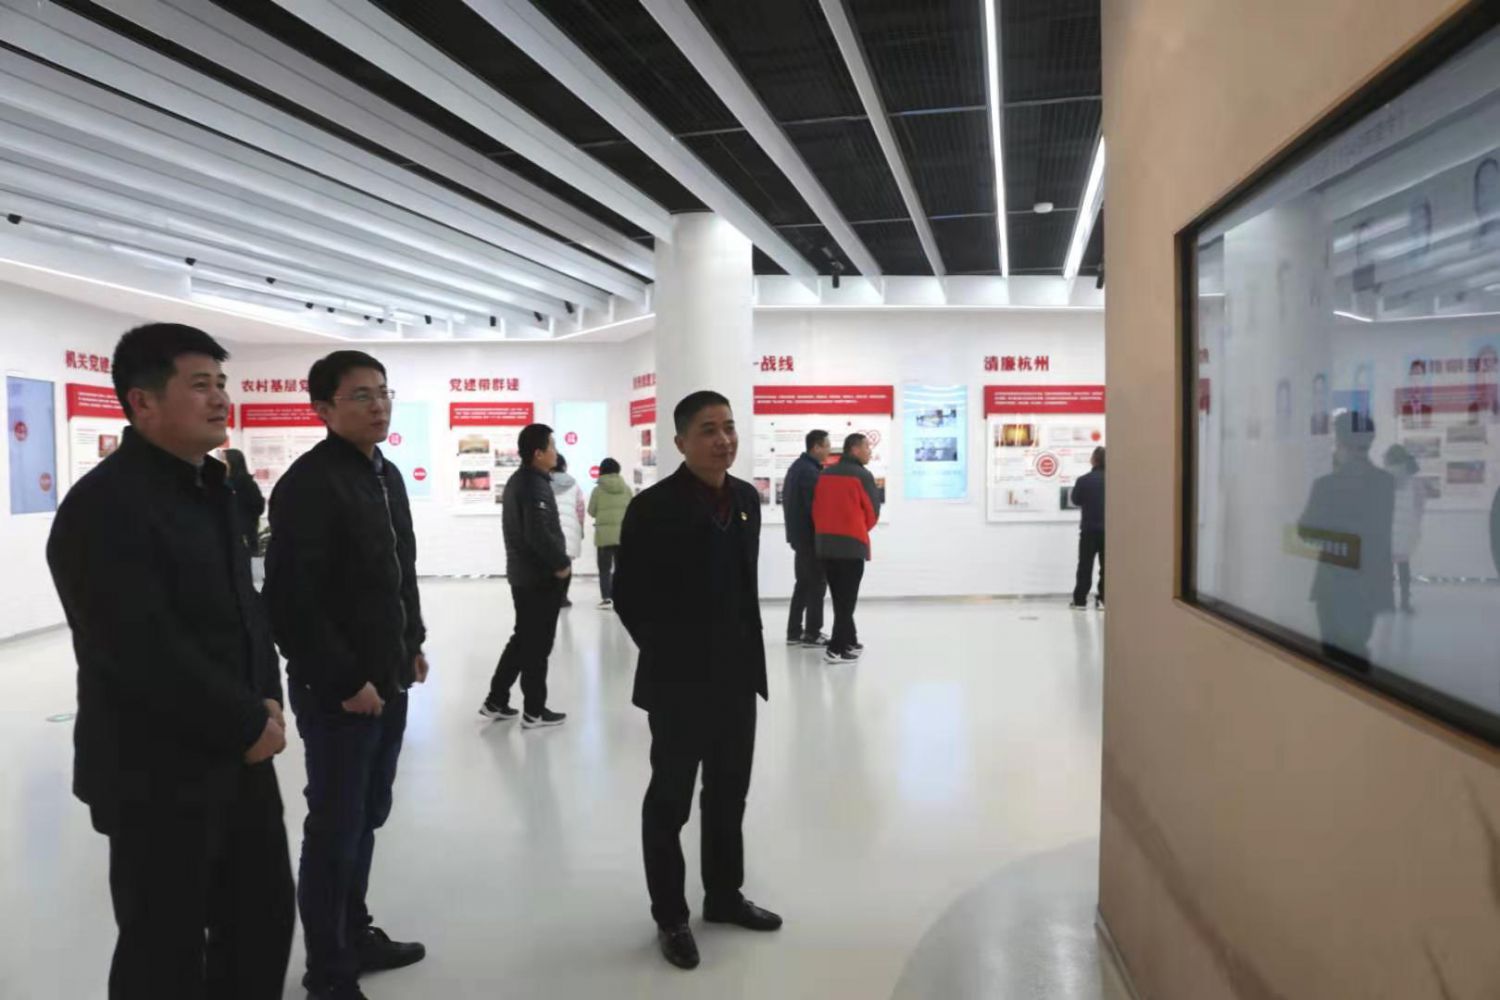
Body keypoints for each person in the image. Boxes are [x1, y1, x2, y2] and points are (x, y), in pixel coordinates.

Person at [46, 323, 294, 999]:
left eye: (222, 383)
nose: (220, 399)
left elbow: (245, 608)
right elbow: (139, 649)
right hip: (155, 773)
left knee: (261, 924)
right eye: (200, 385)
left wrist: (267, 697)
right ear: (143, 402)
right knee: (164, 949)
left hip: (241, 756)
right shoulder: (103, 507)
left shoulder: (213, 488)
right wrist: (247, 722)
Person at [265, 351, 429, 1000]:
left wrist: (412, 643)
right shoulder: (308, 485)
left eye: (383, 392)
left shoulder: (385, 475)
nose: (378, 405)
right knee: (335, 828)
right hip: (340, 694)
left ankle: (354, 934)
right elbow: (291, 603)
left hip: (388, 678)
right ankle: (328, 971)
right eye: (361, 395)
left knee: (366, 816)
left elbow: (400, 571)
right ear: (323, 409)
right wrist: (342, 682)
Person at [613, 390, 782, 971]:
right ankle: (671, 916)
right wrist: (670, 652)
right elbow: (628, 596)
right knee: (670, 801)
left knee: (729, 794)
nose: (723, 440)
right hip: (679, 683)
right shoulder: (653, 508)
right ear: (681, 441)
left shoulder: (745, 500)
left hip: (737, 678)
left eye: (729, 427)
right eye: (709, 430)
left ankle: (724, 896)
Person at [480, 422, 570, 729]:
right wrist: (560, 563)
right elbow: (538, 533)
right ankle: (534, 710)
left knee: (523, 640)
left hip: (524, 576)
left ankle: (496, 699)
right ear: (538, 453)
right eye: (552, 446)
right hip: (538, 578)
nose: (556, 452)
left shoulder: (523, 481)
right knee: (537, 645)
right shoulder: (532, 485)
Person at [1297, 412, 1395, 665]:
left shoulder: (1326, 486)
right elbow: (1379, 534)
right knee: (1357, 651)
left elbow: (1305, 531)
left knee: (1332, 659)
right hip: (1369, 584)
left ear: (1340, 443)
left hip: (1333, 584)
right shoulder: (1386, 484)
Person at [813, 433, 881, 665]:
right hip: (851, 545)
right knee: (847, 601)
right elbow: (872, 513)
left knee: (839, 598)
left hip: (825, 545)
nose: (870, 451)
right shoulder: (863, 475)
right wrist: (857, 527)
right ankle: (836, 649)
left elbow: (816, 509)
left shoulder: (825, 474)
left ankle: (849, 640)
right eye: (867, 447)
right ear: (854, 449)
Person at [782, 429, 830, 647]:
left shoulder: (797, 467)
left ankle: (794, 632)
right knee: (817, 584)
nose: (829, 450)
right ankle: (812, 633)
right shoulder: (810, 472)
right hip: (810, 538)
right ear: (816, 447)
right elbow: (815, 509)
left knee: (803, 583)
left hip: (799, 537)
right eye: (826, 446)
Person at [1383, 444, 1425, 613]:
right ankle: (1405, 602)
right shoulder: (1413, 481)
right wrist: (1415, 525)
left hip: (1387, 531)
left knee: (1387, 570)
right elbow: (1419, 506)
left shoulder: (1384, 478)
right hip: (1406, 531)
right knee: (1404, 567)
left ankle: (1388, 602)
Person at [588, 457, 631, 608]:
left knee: (604, 569)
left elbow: (591, 511)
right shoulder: (626, 489)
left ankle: (607, 599)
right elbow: (632, 509)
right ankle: (622, 596)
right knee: (621, 568)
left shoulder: (597, 490)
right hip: (621, 534)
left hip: (604, 536)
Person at [1070, 447, 1106, 610]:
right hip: (1109, 532)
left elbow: (1075, 500)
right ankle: (1104, 599)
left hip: (1089, 530)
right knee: (1107, 567)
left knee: (1085, 565)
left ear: (1093, 460)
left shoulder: (1083, 480)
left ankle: (1080, 601)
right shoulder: (1115, 480)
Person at [552, 453, 585, 608]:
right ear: (564, 466)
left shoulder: (544, 483)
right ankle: (563, 597)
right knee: (567, 564)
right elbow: (580, 509)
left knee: (550, 563)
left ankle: (552, 596)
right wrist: (581, 528)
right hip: (571, 529)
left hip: (552, 529)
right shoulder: (574, 485)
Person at [223, 447, 265, 555]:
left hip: (244, 535)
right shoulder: (220, 482)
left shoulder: (247, 484)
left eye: (224, 460)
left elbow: (258, 506)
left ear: (233, 462)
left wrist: (246, 520)